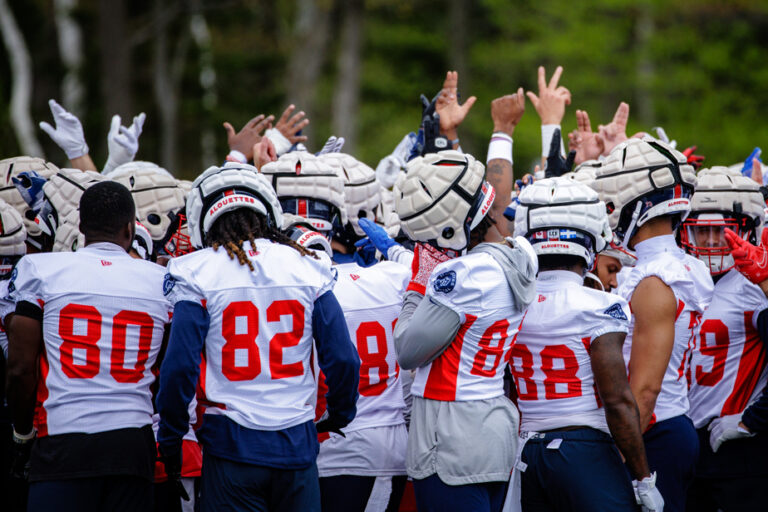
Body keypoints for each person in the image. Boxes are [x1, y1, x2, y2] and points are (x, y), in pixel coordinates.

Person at [156, 162, 360, 511]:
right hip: (296, 442)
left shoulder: (196, 269)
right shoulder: (307, 264)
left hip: (230, 447)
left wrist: (171, 438)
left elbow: (179, 368)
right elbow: (342, 357)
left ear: (205, 219)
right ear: (266, 210)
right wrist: (340, 413)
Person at [5, 181, 170, 511]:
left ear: (80, 226)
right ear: (129, 227)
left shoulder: (42, 269)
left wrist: (22, 436)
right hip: (132, 442)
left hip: (63, 439)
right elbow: (166, 365)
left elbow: (21, 367)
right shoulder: (160, 279)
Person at [393, 149, 537, 512]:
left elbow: (407, 349)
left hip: (450, 435)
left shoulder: (462, 275)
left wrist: (417, 285)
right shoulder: (519, 254)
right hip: (491, 426)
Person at [508, 177, 663, 511]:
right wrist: (643, 477)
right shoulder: (598, 304)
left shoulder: (511, 304)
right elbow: (618, 400)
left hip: (526, 454)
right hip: (582, 450)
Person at [590, 136, 713, 512]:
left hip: (652, 431)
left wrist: (624, 454)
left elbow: (644, 388)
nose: (608, 212)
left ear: (636, 205)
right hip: (666, 424)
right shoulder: (675, 265)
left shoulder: (653, 281)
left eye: (613, 202)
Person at [681, 166, 768, 511]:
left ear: (748, 229)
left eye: (723, 231)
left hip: (740, 452)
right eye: (702, 232)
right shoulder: (680, 278)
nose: (713, 242)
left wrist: (753, 420)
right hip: (690, 447)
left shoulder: (754, 289)